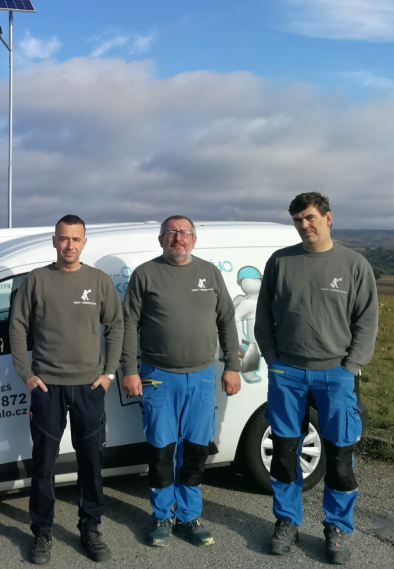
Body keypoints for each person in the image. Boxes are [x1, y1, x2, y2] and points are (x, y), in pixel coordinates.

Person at [254, 192, 378, 565]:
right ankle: (286, 522)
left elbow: (367, 320)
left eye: (309, 217)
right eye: (297, 220)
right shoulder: (280, 262)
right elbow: (263, 317)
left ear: (328, 218)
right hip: (287, 373)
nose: (303, 225)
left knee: (339, 456)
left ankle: (337, 528)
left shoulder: (354, 265)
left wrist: (351, 366)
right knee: (284, 453)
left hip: (336, 373)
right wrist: (273, 360)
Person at [10, 214, 124, 565]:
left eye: (76, 239)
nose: (69, 245)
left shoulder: (99, 281)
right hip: (47, 387)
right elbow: (17, 326)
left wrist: (108, 374)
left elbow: (116, 326)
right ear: (54, 240)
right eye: (63, 238)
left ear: (84, 243)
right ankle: (42, 532)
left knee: (90, 461)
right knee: (44, 463)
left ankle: (90, 528)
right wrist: (26, 374)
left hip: (89, 387)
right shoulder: (36, 280)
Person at [121, 215, 241, 547]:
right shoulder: (145, 274)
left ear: (194, 239)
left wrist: (232, 365)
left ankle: (188, 516)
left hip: (202, 376)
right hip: (158, 376)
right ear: (161, 239)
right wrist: (129, 369)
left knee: (195, 450)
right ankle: (162, 515)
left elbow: (227, 320)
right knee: (161, 449)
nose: (178, 238)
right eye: (171, 232)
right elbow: (128, 325)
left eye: (184, 232)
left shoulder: (210, 273)